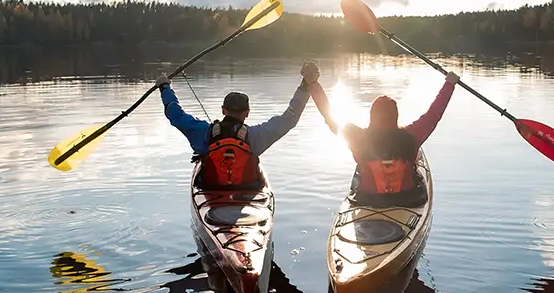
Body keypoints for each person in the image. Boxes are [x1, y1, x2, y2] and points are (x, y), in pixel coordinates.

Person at [157, 61, 321, 189]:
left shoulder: (202, 132)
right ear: (247, 112)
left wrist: (165, 87)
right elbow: (289, 118)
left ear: (223, 111)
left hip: (211, 191)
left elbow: (175, 115)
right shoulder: (256, 136)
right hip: (247, 190)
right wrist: (305, 85)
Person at [308, 70, 459, 202]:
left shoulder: (357, 137)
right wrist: (449, 84)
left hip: (367, 199)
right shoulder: (413, 135)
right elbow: (433, 115)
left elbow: (329, 115)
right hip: (408, 199)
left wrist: (313, 83)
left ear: (372, 115)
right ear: (395, 115)